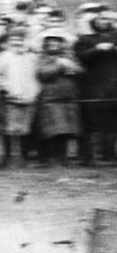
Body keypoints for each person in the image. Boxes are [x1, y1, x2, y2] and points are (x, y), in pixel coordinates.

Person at [0, 28, 41, 166]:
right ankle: (8, 157)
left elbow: (38, 75)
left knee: (25, 129)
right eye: (14, 39)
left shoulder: (32, 57)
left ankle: (24, 157)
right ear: (9, 40)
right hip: (11, 99)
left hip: (29, 98)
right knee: (11, 129)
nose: (18, 42)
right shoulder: (3, 57)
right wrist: (7, 88)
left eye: (21, 39)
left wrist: (35, 90)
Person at [73, 10, 117, 163]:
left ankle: (110, 156)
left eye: (106, 18)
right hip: (93, 90)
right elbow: (82, 57)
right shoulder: (85, 39)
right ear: (94, 22)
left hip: (114, 88)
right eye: (100, 19)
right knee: (90, 125)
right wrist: (97, 49)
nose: (103, 21)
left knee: (112, 125)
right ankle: (88, 157)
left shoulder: (115, 37)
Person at [35, 31, 83, 165]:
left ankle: (64, 158)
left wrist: (71, 66)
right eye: (50, 42)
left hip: (69, 98)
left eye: (56, 42)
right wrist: (58, 65)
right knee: (52, 131)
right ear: (46, 45)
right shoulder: (42, 58)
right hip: (51, 99)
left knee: (67, 131)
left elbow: (81, 71)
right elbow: (42, 74)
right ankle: (51, 158)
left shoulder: (70, 57)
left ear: (61, 44)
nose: (53, 44)